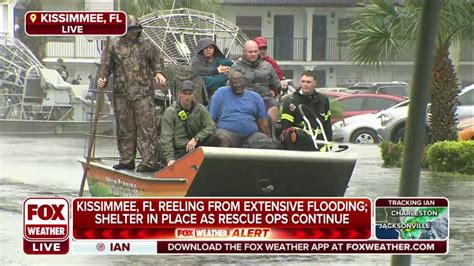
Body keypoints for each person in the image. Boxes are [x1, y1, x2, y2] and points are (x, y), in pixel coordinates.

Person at [97, 15, 166, 172]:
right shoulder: (114, 45)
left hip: (143, 93)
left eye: (135, 30)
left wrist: (159, 72)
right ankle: (126, 160)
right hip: (122, 94)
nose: (133, 33)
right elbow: (106, 65)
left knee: (147, 128)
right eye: (130, 30)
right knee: (125, 127)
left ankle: (149, 161)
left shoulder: (146, 44)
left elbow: (158, 60)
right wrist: (103, 78)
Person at [160, 80, 216, 167]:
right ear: (179, 94)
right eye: (184, 93)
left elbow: (211, 126)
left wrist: (196, 138)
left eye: (190, 94)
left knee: (218, 137)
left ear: (194, 95)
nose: (187, 97)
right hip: (179, 150)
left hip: (196, 147)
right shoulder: (170, 112)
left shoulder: (200, 109)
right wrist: (170, 158)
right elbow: (166, 137)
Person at [209, 71, 271, 147]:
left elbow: (262, 121)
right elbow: (211, 119)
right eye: (235, 83)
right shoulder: (220, 93)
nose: (238, 85)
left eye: (240, 82)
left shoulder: (255, 97)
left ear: (245, 81)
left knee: (263, 139)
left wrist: (269, 138)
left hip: (251, 135)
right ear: (230, 83)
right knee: (221, 139)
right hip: (226, 133)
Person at [280, 70, 333, 151]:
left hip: (320, 144)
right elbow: (286, 129)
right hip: (299, 145)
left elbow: (327, 125)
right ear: (300, 83)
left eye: (308, 82)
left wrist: (329, 146)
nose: (305, 84)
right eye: (303, 81)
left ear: (314, 84)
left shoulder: (323, 100)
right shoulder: (291, 102)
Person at [231, 40, 281, 123]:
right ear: (244, 52)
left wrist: (279, 90)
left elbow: (277, 85)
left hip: (265, 99)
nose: (253, 54)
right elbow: (230, 87)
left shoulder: (267, 66)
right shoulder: (236, 67)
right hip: (244, 99)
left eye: (255, 51)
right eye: (250, 52)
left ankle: (271, 133)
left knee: (273, 107)